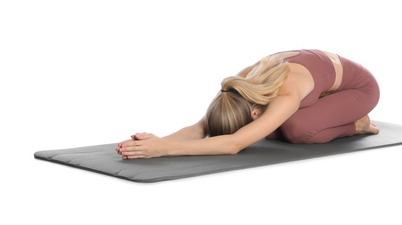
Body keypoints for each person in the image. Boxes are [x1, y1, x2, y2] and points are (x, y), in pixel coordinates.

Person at [116, 49, 380, 159]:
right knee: (273, 128)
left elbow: (234, 144)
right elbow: (200, 128)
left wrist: (164, 150)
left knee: (295, 129)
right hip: (319, 87)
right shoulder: (237, 88)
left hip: (359, 89)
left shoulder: (285, 92)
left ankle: (358, 124)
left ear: (254, 111)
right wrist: (155, 141)